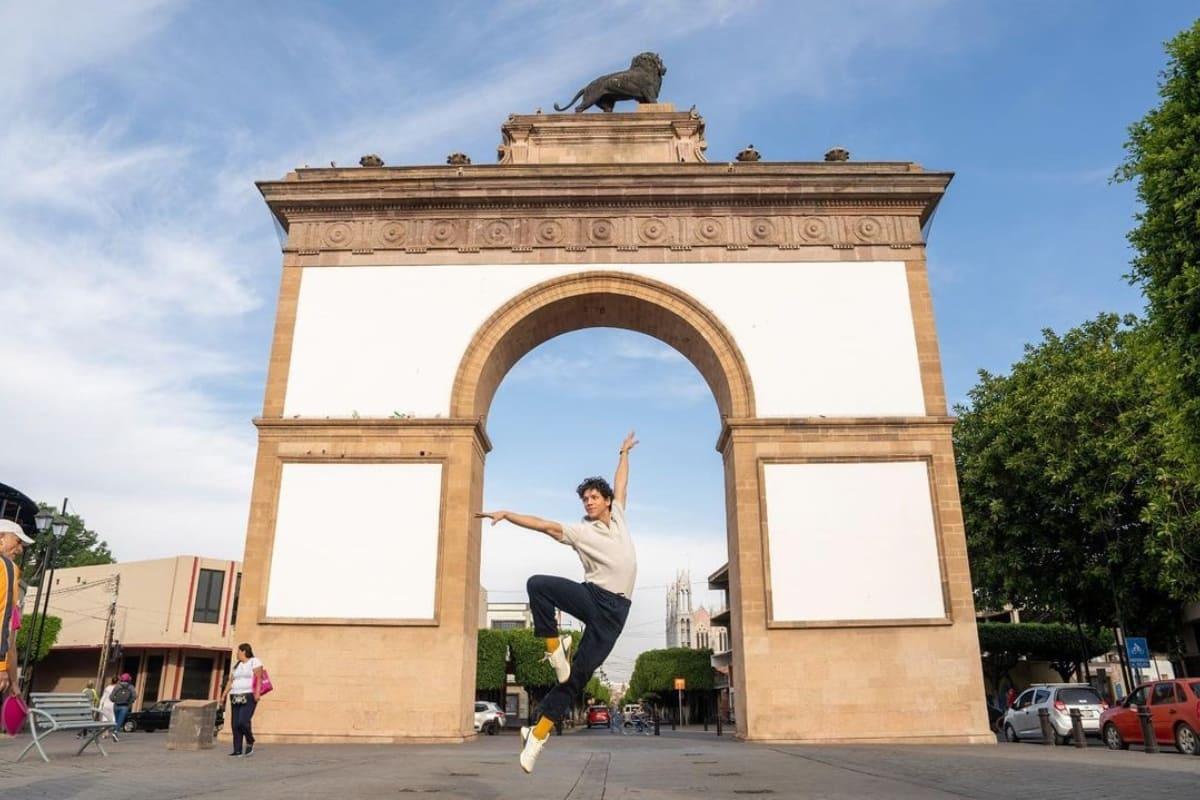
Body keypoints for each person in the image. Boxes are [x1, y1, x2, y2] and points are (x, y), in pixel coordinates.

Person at [477, 431, 638, 774]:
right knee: (538, 584)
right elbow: (545, 525)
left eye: (594, 497)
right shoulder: (580, 531)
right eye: (585, 499)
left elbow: (621, 483)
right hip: (594, 597)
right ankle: (554, 648)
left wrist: (623, 452)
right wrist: (508, 514)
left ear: (607, 501)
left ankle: (537, 735)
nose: (588, 502)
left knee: (575, 679)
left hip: (616, 615)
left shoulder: (619, 516)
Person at [0, 520, 33, 700]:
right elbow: (3, 619)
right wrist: (1, 666)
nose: (20, 549)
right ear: (1, 538)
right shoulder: (6, 566)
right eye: (18, 541)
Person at [220, 642, 263, 757]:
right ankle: (237, 749)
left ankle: (250, 740)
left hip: (248, 695)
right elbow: (231, 681)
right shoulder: (236, 666)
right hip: (235, 695)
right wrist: (223, 695)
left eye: (238, 651)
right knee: (235, 724)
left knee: (243, 721)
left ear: (244, 651)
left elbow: (259, 678)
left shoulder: (254, 661)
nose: (237, 654)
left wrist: (257, 693)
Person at [109, 673, 135, 739]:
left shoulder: (117, 686)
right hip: (125, 706)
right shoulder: (131, 687)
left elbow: (111, 697)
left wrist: (115, 700)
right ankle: (115, 732)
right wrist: (130, 702)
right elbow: (134, 696)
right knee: (120, 720)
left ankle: (115, 732)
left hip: (116, 705)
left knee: (116, 720)